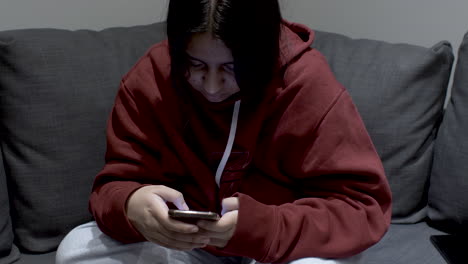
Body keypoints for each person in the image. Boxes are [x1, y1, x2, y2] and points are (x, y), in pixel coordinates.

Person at [56, 0, 392, 263]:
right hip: (185, 249)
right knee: (76, 250)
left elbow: (363, 208)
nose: (213, 87)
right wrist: (131, 207)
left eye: (232, 69)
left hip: (279, 250)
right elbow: (111, 186)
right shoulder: (150, 79)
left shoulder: (307, 85)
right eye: (195, 65)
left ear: (260, 54)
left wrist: (266, 228)